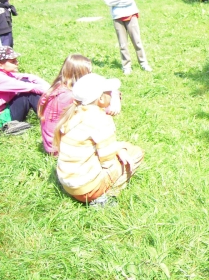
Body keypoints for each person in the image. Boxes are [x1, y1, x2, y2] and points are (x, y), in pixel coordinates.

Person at [54, 73, 144, 206]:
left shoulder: (75, 112)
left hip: (69, 184)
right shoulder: (100, 118)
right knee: (135, 152)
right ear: (101, 98)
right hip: (86, 189)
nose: (112, 94)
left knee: (122, 146)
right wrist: (120, 155)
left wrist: (119, 148)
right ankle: (105, 196)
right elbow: (108, 160)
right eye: (109, 92)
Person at [37, 54, 121, 156]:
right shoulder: (71, 97)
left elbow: (104, 88)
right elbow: (102, 109)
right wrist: (113, 101)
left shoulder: (58, 88)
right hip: (60, 149)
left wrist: (113, 93)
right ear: (81, 75)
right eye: (89, 73)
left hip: (54, 144)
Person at [0, 46, 50, 134]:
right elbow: (32, 87)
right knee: (28, 93)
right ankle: (50, 120)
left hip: (3, 110)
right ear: (0, 65)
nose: (17, 63)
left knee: (26, 82)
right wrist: (54, 92)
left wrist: (49, 87)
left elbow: (29, 77)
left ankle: (50, 116)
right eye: (13, 61)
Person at [101, 0, 152, 75]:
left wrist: (116, 0)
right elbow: (108, 1)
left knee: (137, 41)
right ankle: (126, 66)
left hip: (131, 13)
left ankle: (143, 63)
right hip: (117, 16)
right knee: (123, 44)